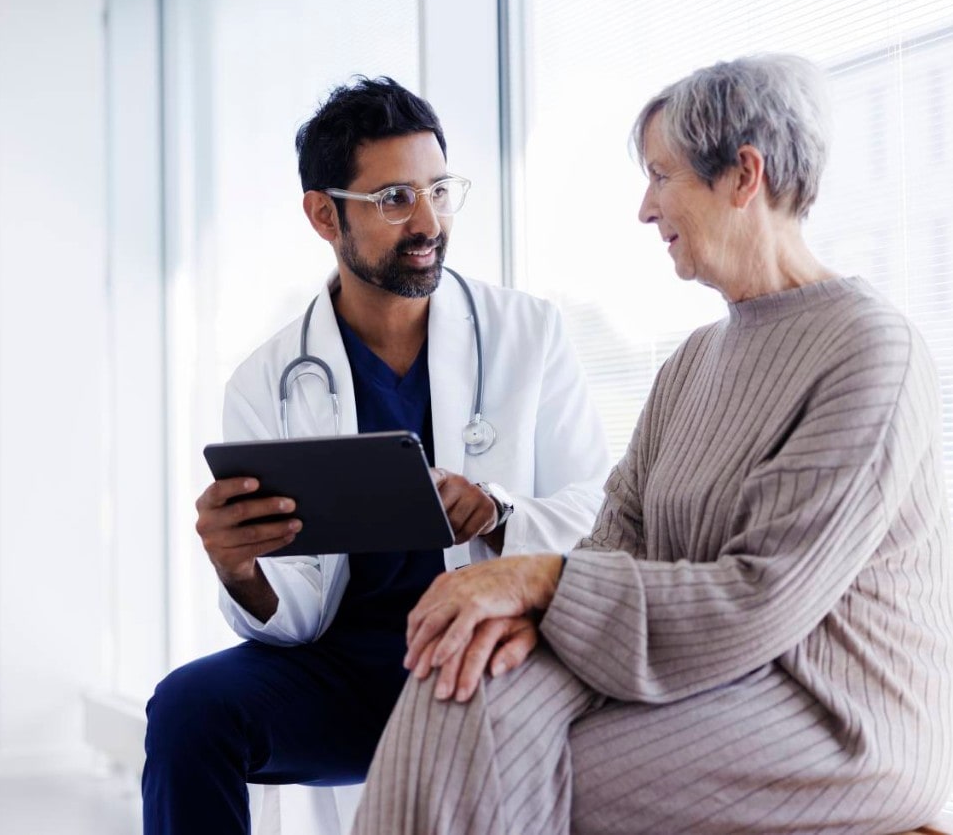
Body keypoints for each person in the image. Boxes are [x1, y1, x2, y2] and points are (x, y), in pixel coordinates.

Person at [351, 54, 953, 835]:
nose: (645, 208)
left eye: (661, 174)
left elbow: (760, 596)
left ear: (744, 176)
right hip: (699, 674)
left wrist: (541, 584)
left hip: (835, 714)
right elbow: (618, 536)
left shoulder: (870, 352)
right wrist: (526, 608)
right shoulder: (693, 362)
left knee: (509, 769)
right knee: (455, 684)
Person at [141, 76, 609, 835]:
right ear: (325, 215)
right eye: (394, 198)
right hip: (346, 671)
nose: (427, 219)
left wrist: (500, 511)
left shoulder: (530, 334)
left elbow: (600, 511)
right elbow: (290, 617)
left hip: (488, 648)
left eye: (439, 190)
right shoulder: (267, 382)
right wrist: (239, 570)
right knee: (188, 712)